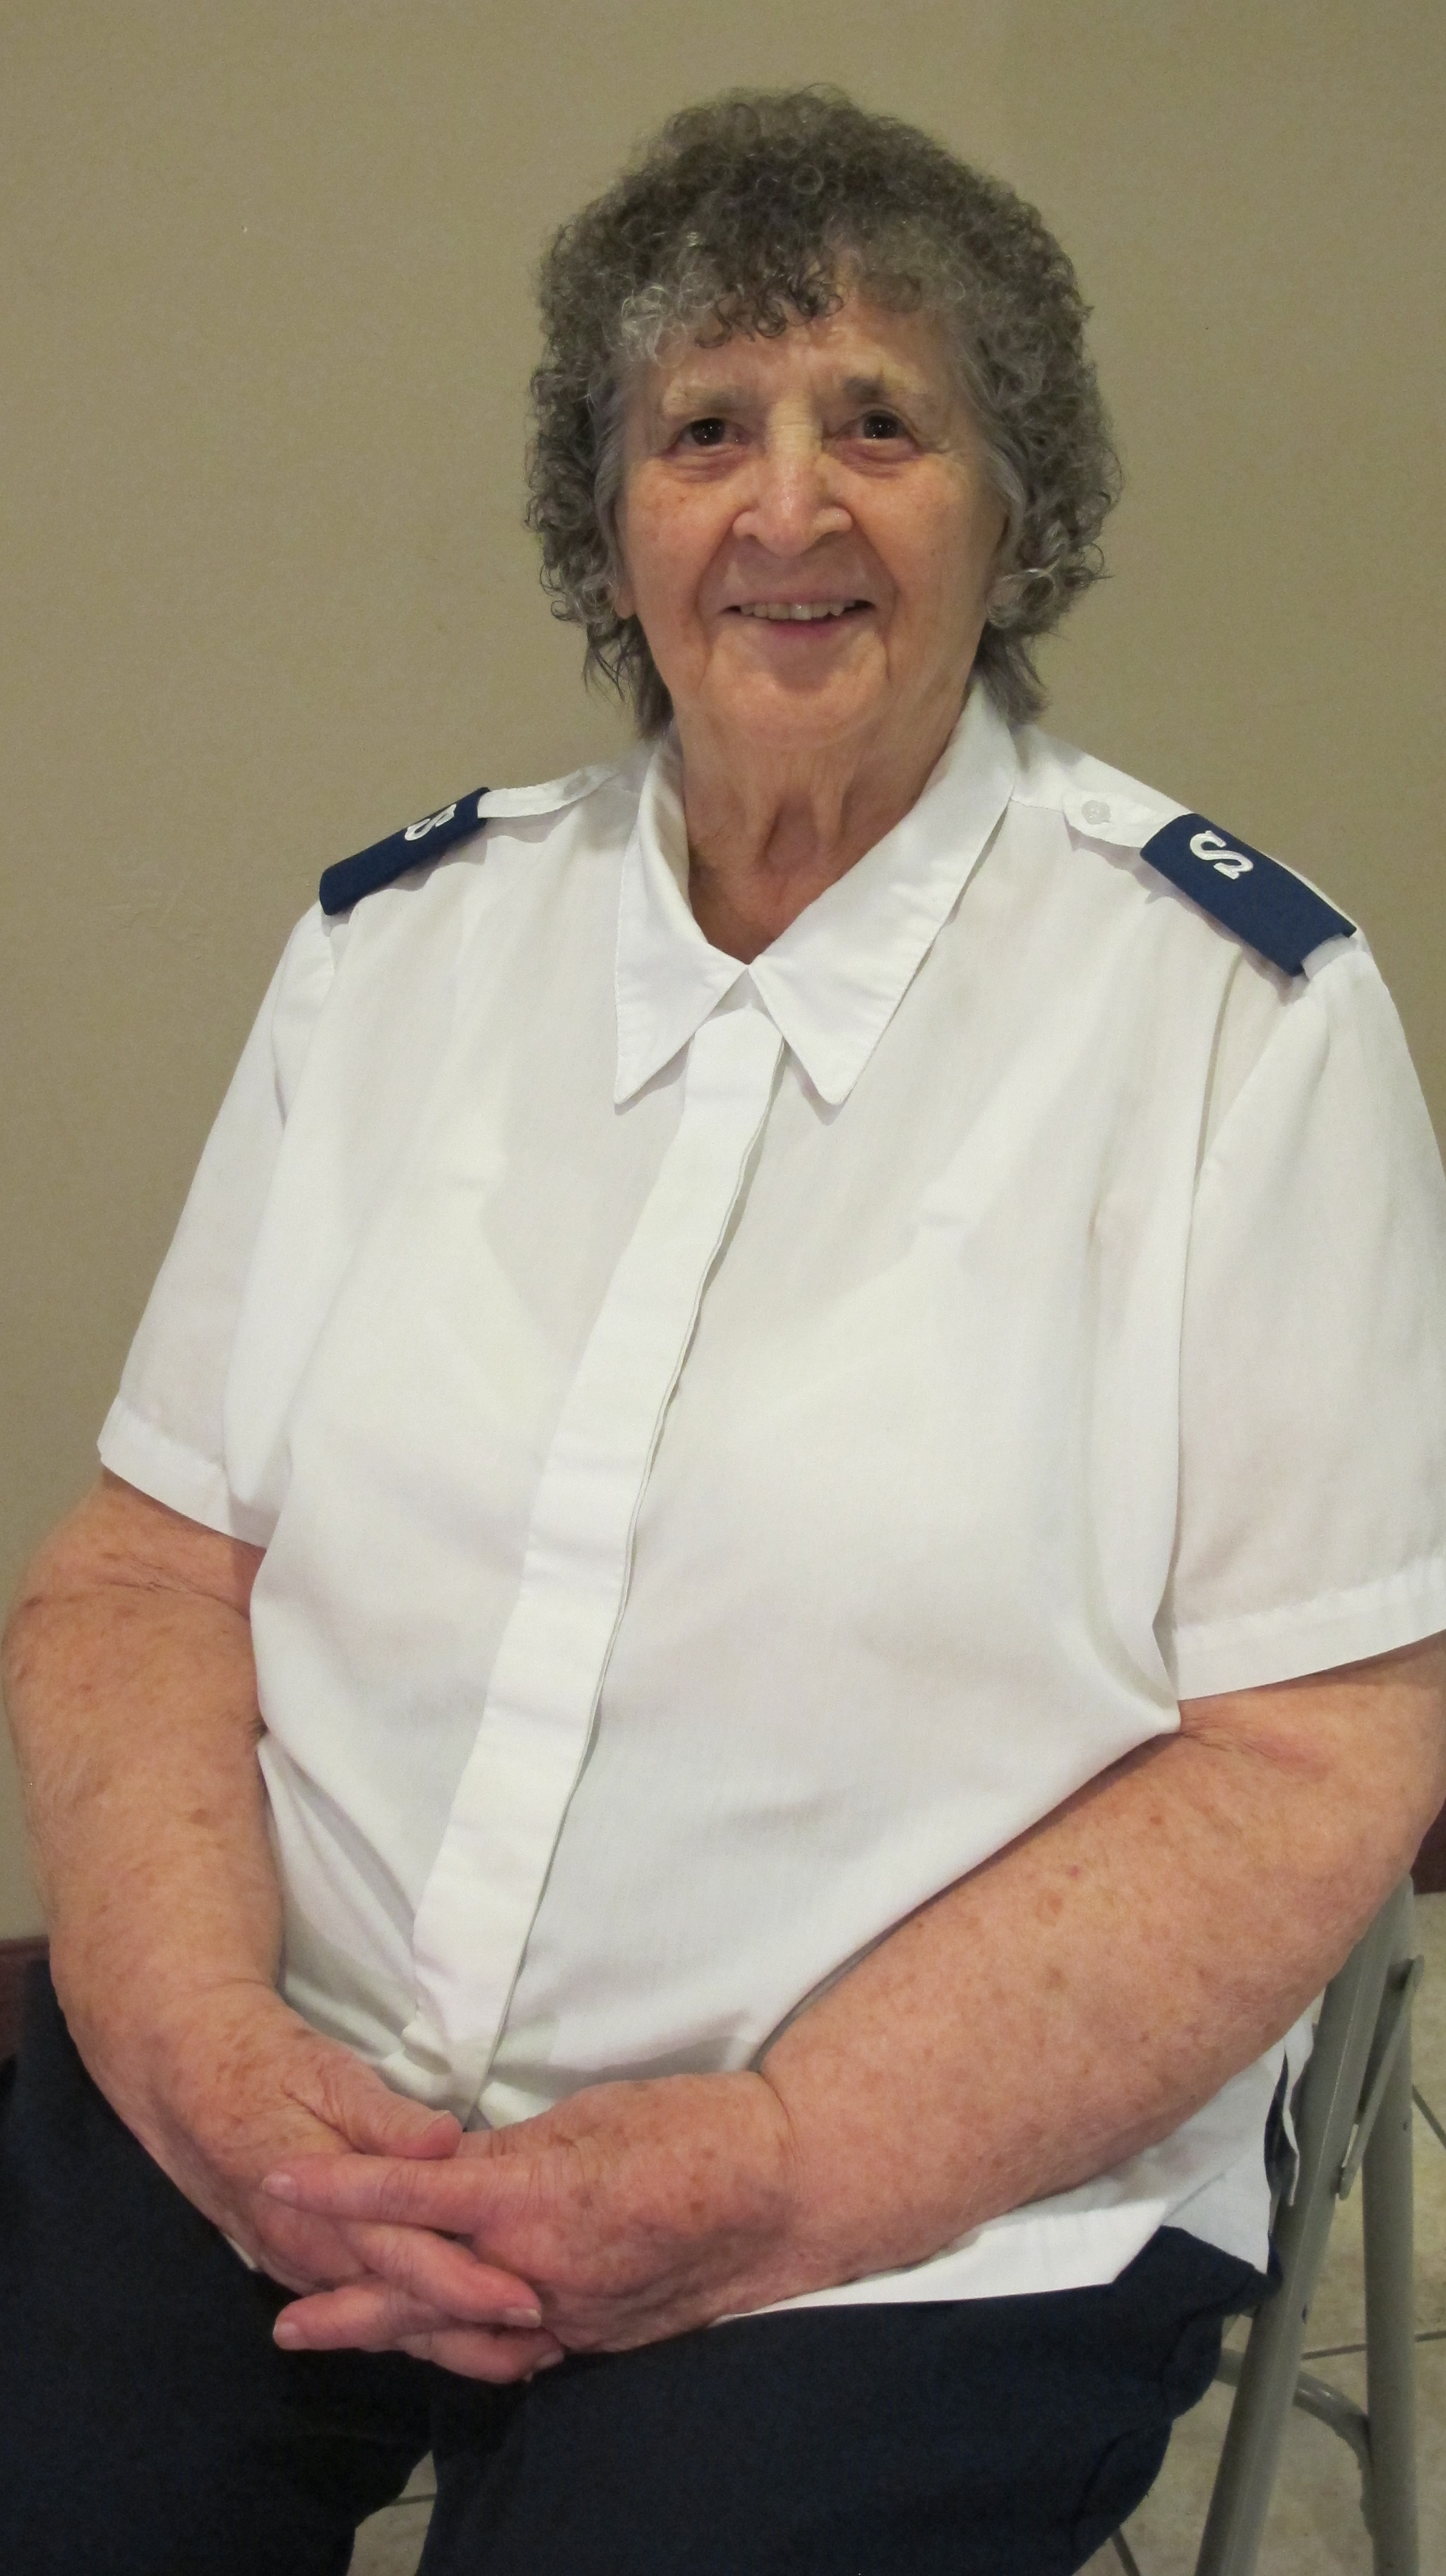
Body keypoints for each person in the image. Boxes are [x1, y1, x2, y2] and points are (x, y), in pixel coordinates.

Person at [4, 86, 1445, 2576]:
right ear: (613, 528)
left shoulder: (1239, 1019)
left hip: (907, 2193)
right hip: (284, 2091)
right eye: (702, 434)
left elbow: (1323, 1751)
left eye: (879, 424)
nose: (788, 510)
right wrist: (209, 2055)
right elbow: (149, 1569)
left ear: (1015, 510)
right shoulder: (399, 950)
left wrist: (781, 2160)